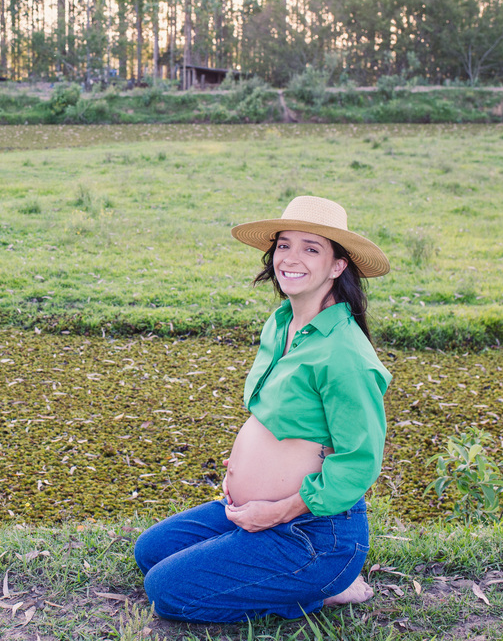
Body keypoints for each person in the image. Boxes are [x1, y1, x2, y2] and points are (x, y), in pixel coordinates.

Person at [133, 195, 392, 623]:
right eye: (284, 245)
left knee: (166, 591)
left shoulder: (345, 354)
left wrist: (277, 508)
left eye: (311, 248)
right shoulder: (280, 323)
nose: (291, 258)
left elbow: (359, 463)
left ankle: (325, 587)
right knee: (151, 552)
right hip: (256, 511)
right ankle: (285, 573)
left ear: (337, 266)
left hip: (311, 532)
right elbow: (277, 420)